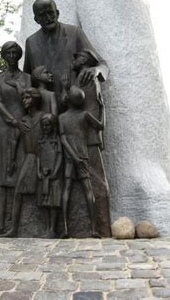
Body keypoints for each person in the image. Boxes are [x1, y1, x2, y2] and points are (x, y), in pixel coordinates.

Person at [23, 0, 109, 112]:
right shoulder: (31, 42)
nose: (48, 18)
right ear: (36, 19)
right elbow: (27, 78)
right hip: (47, 111)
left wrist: (96, 70)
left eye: (50, 13)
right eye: (42, 15)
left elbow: (102, 65)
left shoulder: (74, 32)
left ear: (57, 13)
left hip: (75, 105)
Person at [0, 41, 31, 237]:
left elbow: (30, 99)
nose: (12, 55)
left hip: (23, 128)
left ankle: (17, 225)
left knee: (19, 176)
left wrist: (19, 88)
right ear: (4, 56)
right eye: (8, 52)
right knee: (1, 178)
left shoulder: (27, 78)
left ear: (19, 54)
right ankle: (1, 225)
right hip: (5, 128)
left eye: (15, 52)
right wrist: (12, 120)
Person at [59, 86, 103, 239]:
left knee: (67, 190)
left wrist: (74, 158)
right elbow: (101, 125)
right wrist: (102, 107)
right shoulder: (85, 115)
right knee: (88, 191)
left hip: (70, 158)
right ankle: (93, 229)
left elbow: (63, 140)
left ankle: (65, 228)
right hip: (82, 157)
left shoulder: (62, 117)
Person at [1, 88, 44, 238]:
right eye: (23, 98)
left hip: (43, 158)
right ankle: (14, 229)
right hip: (29, 158)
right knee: (19, 191)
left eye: (27, 98)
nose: (24, 101)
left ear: (35, 99)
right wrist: (11, 159)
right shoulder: (24, 120)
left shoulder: (44, 117)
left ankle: (50, 227)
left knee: (45, 191)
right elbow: (14, 140)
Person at [37, 114, 63, 238]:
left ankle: (53, 228)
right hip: (43, 174)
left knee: (54, 202)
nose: (45, 127)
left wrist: (56, 172)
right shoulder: (41, 140)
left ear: (53, 126)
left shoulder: (56, 141)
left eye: (48, 125)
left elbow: (59, 156)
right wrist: (38, 170)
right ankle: (47, 227)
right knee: (45, 202)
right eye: (44, 125)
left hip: (54, 175)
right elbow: (38, 157)